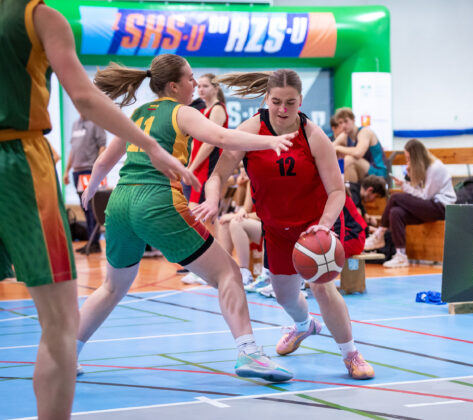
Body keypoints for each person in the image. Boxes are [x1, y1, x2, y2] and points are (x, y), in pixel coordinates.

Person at [0, 3, 197, 419]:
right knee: (60, 324)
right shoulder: (38, 15)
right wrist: (152, 146)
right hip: (18, 164)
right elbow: (85, 97)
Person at [77, 54, 296, 382]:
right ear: (174, 86)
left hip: (119, 203)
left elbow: (103, 163)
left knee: (111, 287)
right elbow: (222, 138)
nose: (195, 83)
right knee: (228, 273)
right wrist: (270, 140)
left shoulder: (138, 113)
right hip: (157, 200)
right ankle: (250, 352)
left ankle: (67, 353)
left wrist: (90, 190)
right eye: (190, 78)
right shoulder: (182, 111)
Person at [197, 69, 375, 380]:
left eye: (290, 102)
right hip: (276, 231)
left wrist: (324, 225)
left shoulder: (313, 136)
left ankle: (351, 354)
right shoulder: (250, 130)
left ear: (300, 101)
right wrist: (212, 200)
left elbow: (337, 191)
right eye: (276, 101)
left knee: (322, 288)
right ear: (266, 98)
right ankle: (304, 326)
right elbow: (217, 175)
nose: (282, 109)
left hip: (313, 227)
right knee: (285, 296)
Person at [364, 139, 455, 268]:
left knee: (395, 198)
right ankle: (401, 255)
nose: (407, 162)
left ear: (415, 156)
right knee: (396, 212)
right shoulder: (423, 168)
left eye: (408, 158)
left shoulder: (435, 168)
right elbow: (420, 194)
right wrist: (410, 179)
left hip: (442, 207)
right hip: (430, 205)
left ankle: (379, 234)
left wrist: (405, 187)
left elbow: (425, 196)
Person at [62, 114, 107, 253]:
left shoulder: (96, 122)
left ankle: (94, 243)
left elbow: (102, 147)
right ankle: (90, 242)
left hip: (90, 171)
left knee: (93, 208)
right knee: (85, 207)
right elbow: (73, 151)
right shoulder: (75, 124)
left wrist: (97, 169)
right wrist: (66, 171)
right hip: (77, 172)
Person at [183, 73, 227, 209]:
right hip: (198, 165)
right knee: (198, 212)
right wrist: (190, 165)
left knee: (198, 211)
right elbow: (194, 142)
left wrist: (192, 167)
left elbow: (210, 143)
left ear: (216, 88)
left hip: (208, 166)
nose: (201, 89)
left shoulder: (217, 109)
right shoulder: (201, 110)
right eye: (199, 86)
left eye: (205, 86)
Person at [332, 107, 388, 183]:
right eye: (340, 123)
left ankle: (350, 189)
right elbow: (330, 149)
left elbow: (358, 153)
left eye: (346, 121)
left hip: (379, 173)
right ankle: (349, 188)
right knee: (342, 161)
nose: (343, 125)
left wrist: (338, 148)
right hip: (365, 173)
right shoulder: (344, 135)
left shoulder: (365, 132)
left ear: (353, 120)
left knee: (349, 159)